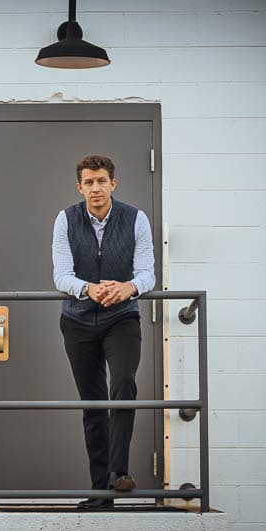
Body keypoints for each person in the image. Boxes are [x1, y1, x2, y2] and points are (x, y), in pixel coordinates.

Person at [52, 154, 156, 510]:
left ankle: (117, 474)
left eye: (102, 181)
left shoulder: (135, 219)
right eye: (89, 182)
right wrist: (88, 289)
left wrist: (129, 288)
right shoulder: (65, 219)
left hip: (122, 318)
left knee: (124, 383)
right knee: (93, 406)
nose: (95, 188)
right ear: (79, 187)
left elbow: (147, 273)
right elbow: (61, 275)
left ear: (113, 184)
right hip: (78, 321)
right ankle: (101, 494)